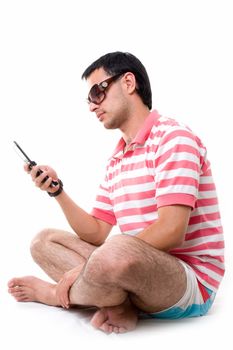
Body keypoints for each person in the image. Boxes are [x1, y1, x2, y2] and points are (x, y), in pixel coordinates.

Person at [8, 51, 225, 334]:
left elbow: (172, 230)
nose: (92, 106)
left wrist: (87, 269)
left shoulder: (173, 138)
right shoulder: (117, 160)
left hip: (189, 281)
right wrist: (57, 192)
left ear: (128, 83)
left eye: (98, 92)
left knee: (116, 250)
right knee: (44, 241)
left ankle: (55, 295)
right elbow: (97, 232)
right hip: (133, 267)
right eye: (88, 99)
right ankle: (120, 304)